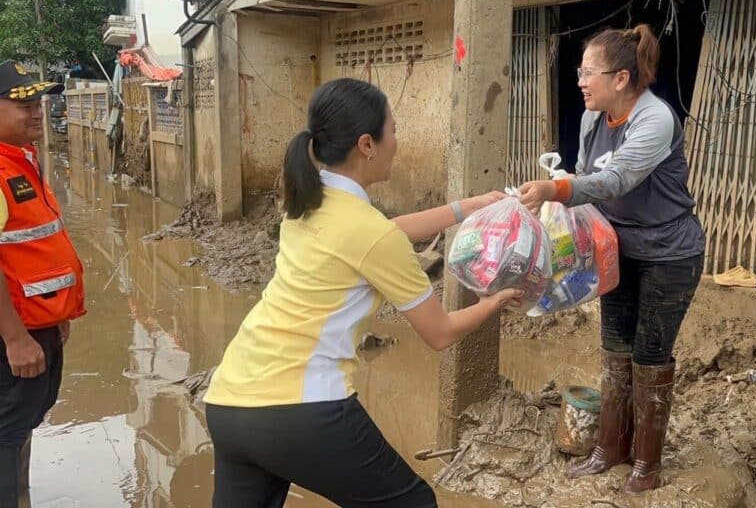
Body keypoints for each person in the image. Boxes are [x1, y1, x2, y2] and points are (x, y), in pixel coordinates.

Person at [203, 78, 523, 508]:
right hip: (302, 408)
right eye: (393, 130)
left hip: (229, 402)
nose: (398, 140)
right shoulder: (367, 231)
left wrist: (467, 208)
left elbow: (384, 234)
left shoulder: (304, 205)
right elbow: (440, 333)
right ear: (367, 144)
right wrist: (495, 301)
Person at [518, 25, 706, 494]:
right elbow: (585, 177)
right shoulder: (591, 119)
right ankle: (609, 449)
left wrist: (554, 189)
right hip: (616, 250)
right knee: (614, 350)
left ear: (620, 79)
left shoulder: (655, 118)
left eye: (587, 73)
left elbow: (616, 180)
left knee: (649, 355)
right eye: (579, 71)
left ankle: (647, 464)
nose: (580, 81)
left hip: (670, 254)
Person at [0, 60, 86, 506]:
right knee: (7, 430)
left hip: (38, 324)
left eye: (37, 102)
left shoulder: (22, 161)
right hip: (13, 334)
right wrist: (15, 338)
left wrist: (57, 317)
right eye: (22, 105)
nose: (36, 111)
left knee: (21, 423)